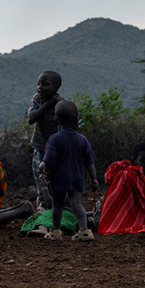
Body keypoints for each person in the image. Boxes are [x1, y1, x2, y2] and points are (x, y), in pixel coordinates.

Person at [39, 99, 98, 241]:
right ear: (76, 119)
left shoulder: (54, 139)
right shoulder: (82, 139)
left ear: (56, 120)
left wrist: (45, 172)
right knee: (77, 204)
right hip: (77, 178)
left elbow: (48, 161)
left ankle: (56, 232)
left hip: (59, 179)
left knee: (57, 205)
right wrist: (94, 179)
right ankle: (85, 231)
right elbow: (89, 162)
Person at [26, 71, 64, 210]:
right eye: (38, 84)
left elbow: (65, 127)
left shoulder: (61, 104)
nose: (39, 87)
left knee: (55, 183)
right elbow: (31, 118)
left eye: (45, 84)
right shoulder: (38, 99)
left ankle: (56, 212)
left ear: (55, 88)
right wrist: (48, 104)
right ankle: (41, 213)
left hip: (56, 152)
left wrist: (54, 103)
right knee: (41, 185)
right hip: (40, 149)